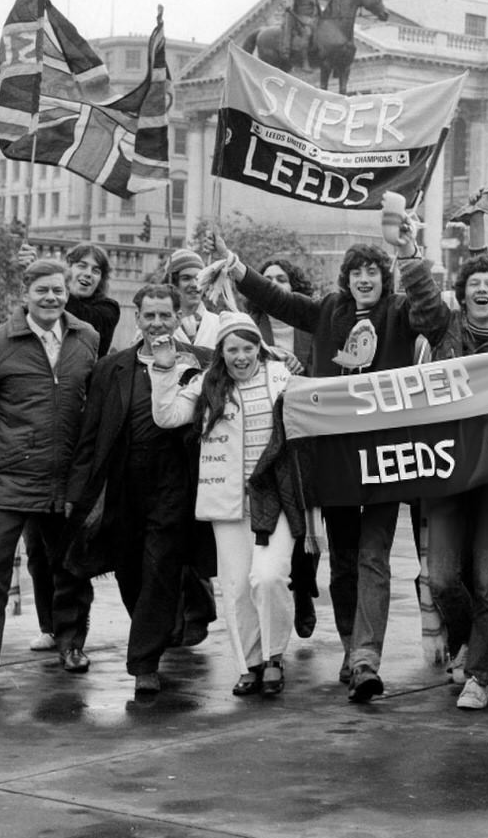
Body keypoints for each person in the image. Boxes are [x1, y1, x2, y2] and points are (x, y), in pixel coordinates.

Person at [225, 226, 447, 701]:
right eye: (356, 272)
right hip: (338, 458)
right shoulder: (328, 311)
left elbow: (436, 315)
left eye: (372, 271)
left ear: (385, 279)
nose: (364, 278)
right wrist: (239, 269)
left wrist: (409, 256)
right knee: (344, 562)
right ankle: (351, 649)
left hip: (389, 458)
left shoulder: (402, 312)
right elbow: (282, 302)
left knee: (374, 558)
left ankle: (367, 659)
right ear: (345, 279)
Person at [0, 258, 97, 689]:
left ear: (68, 294)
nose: (51, 298)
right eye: (42, 291)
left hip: (65, 478)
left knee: (69, 568)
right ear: (24, 294)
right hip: (6, 476)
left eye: (58, 291)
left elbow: (94, 401)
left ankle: (71, 646)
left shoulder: (87, 338)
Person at [150, 312, 301, 698]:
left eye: (248, 348)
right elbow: (166, 416)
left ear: (258, 348)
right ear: (221, 351)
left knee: (267, 578)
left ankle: (274, 656)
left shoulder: (283, 377)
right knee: (235, 588)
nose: (240, 356)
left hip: (276, 498)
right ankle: (249, 664)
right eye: (232, 349)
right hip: (227, 499)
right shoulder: (206, 385)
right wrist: (164, 371)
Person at [63, 282, 204, 697]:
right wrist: (77, 490)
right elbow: (90, 436)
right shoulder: (112, 368)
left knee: (160, 567)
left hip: (175, 483)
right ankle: (162, 627)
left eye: (166, 315)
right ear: (137, 317)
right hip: (123, 483)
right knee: (129, 570)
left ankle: (144, 663)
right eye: (150, 315)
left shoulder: (200, 364)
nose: (158, 323)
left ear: (179, 318)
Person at [412, 251, 488, 710]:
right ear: (462, 294)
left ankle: (479, 676)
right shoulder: (445, 332)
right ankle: (465, 640)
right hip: (444, 476)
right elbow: (421, 298)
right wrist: (408, 253)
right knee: (440, 579)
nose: (483, 289)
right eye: (475, 282)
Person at [248, 256, 320, 642]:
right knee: (279, 526)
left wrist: (301, 373)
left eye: (282, 278)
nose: (275, 284)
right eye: (268, 279)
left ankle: (304, 591)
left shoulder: (312, 325)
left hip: (308, 439)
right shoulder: (252, 329)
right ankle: (292, 594)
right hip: (266, 441)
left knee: (309, 527)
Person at [166, 249, 220, 351]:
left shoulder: (219, 324)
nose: (194, 285)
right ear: (173, 282)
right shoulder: (159, 324)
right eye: (186, 278)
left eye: (198, 278)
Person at [281, 0, 322, 65]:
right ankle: (305, 62)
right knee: (307, 33)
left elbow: (317, 3)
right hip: (300, 16)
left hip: (313, 17)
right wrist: (289, 5)